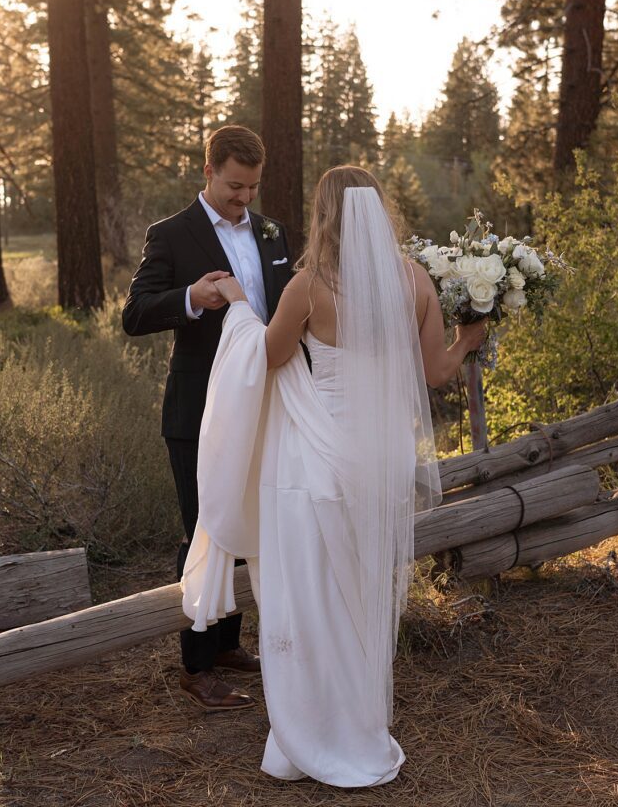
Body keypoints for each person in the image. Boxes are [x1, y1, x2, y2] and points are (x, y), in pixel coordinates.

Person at [181, 165, 486, 785]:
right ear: (378, 213)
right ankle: (358, 723)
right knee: (364, 593)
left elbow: (264, 360)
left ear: (323, 216)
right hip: (385, 459)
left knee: (312, 598)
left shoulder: (309, 288)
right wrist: (466, 339)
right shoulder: (414, 280)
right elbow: (434, 374)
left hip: (319, 459)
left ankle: (316, 730)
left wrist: (239, 303)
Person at [122, 125, 293, 712]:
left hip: (263, 406)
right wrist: (191, 296)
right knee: (205, 528)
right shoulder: (170, 235)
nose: (244, 199)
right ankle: (195, 666)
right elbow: (136, 313)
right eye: (234, 186)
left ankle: (226, 645)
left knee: (247, 524)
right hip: (198, 411)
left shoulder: (274, 233)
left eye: (252, 188)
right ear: (208, 171)